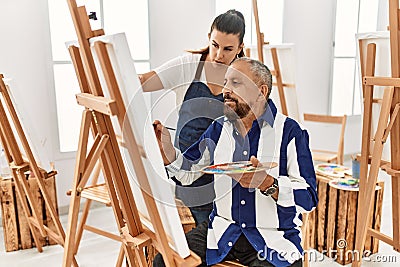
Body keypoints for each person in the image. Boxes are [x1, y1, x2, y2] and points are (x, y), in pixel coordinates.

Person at [153, 57, 318, 266]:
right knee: (165, 262)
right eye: (225, 83)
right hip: (221, 232)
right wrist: (167, 151)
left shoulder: (290, 132)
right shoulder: (218, 128)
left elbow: (309, 198)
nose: (225, 90)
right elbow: (189, 173)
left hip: (274, 238)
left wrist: (268, 184)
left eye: (236, 83)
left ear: (261, 92)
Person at [139, 10, 246, 225]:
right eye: (215, 45)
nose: (218, 55)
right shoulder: (189, 66)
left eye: (228, 49)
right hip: (184, 171)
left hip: (224, 176)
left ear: (240, 48)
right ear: (209, 37)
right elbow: (143, 81)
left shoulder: (244, 76)